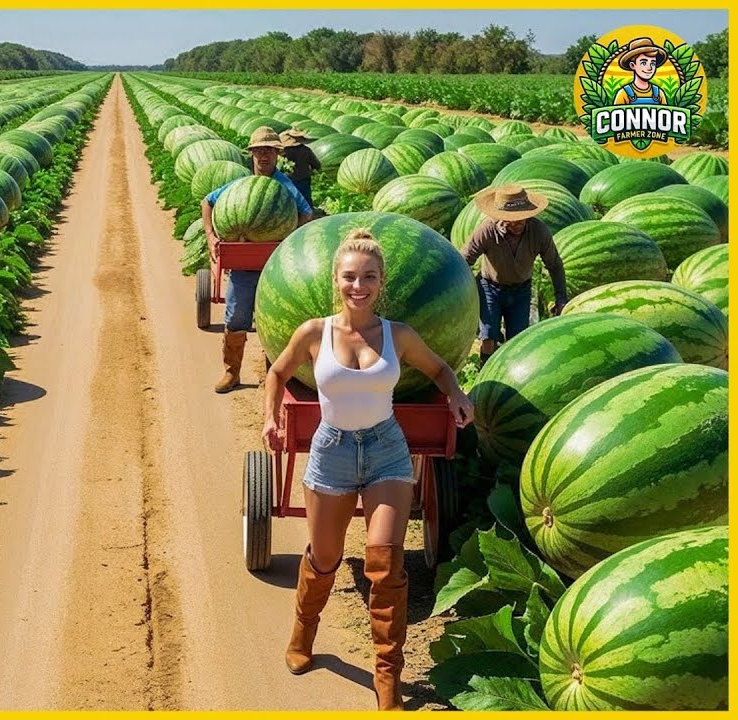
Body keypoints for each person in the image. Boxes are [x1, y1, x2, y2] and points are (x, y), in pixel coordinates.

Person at [261, 230, 473, 711]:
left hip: (386, 450)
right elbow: (277, 371)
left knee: (385, 562)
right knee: (326, 558)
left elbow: (439, 368)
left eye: (369, 277)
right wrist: (270, 417)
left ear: (381, 283)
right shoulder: (315, 332)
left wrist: (457, 393)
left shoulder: (398, 334)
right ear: (336, 280)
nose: (360, 285)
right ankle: (302, 634)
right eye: (351, 277)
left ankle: (387, 676)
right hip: (332, 451)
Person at [202, 126, 315, 394]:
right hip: (243, 266)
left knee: (276, 321)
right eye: (258, 151)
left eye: (269, 151)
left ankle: (272, 376)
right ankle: (232, 372)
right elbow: (207, 201)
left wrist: (288, 238)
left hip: (276, 267)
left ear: (277, 154)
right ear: (252, 154)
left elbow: (306, 214)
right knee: (236, 317)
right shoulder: (240, 186)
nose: (263, 156)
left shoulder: (285, 186)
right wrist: (210, 236)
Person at [462, 184, 568, 366]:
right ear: (501, 217)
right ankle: (484, 372)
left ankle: (508, 377)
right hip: (490, 289)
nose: (517, 224)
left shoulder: (539, 231)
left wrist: (561, 298)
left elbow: (554, 264)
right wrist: (462, 294)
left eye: (521, 219)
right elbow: (464, 260)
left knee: (517, 341)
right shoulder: (487, 231)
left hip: (521, 292)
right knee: (488, 336)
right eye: (512, 220)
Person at [614, 37, 668, 105]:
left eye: (653, 63)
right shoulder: (623, 94)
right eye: (643, 63)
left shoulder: (659, 93)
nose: (649, 68)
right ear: (632, 65)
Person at [280, 128, 320, 210]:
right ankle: (309, 213)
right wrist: (314, 169)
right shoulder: (306, 150)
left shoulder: (284, 152)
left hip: (288, 179)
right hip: (304, 178)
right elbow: (316, 164)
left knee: (290, 198)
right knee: (306, 197)